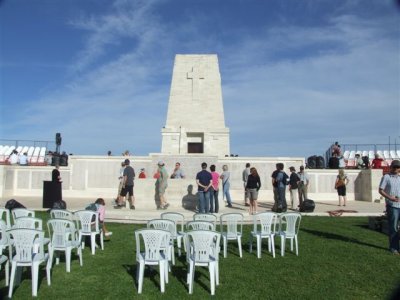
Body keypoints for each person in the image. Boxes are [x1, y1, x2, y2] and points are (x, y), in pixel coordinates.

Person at [379, 160, 400, 255]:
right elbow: (381, 190)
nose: (396, 169)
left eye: (398, 167)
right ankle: (394, 248)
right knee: (394, 228)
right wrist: (390, 198)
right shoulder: (386, 177)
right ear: (391, 167)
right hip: (392, 206)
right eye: (395, 167)